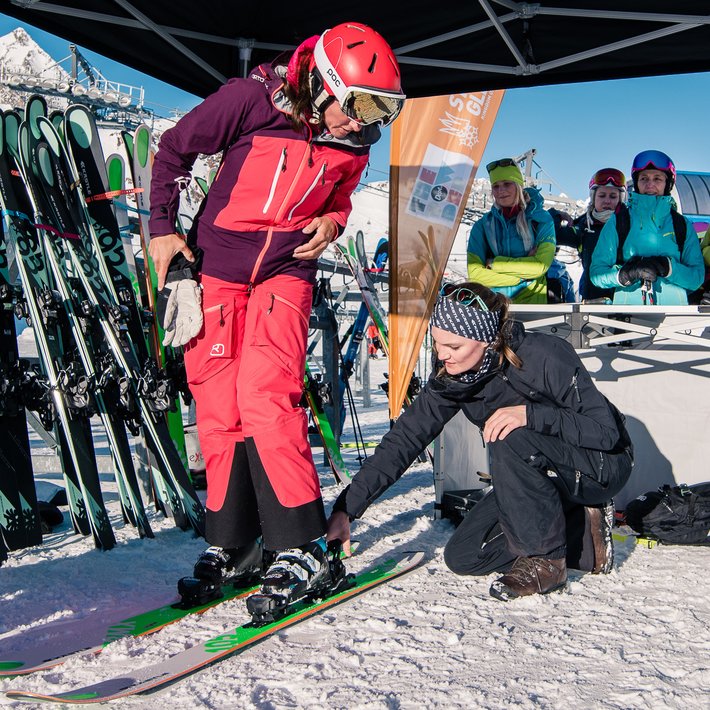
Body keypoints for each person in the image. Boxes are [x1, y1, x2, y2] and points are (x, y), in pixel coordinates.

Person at [148, 22, 405, 607]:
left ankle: (299, 542)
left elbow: (339, 195)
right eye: (360, 105)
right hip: (216, 266)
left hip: (286, 269)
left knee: (267, 393)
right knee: (217, 403)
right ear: (321, 82)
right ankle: (234, 543)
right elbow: (173, 149)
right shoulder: (250, 100)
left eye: (381, 112)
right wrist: (160, 228)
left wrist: (334, 222)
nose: (365, 122)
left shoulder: (355, 140)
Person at [327, 282, 634, 601]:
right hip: (541, 477)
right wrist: (346, 509)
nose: (443, 354)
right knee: (465, 556)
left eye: (454, 347)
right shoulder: (453, 380)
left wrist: (530, 414)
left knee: (510, 432)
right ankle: (583, 532)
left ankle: (547, 564)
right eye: (437, 343)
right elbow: (403, 441)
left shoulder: (544, 355)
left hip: (602, 465)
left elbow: (606, 432)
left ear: (488, 340)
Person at [589, 150, 704, 305]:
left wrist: (669, 268)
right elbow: (597, 272)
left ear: (667, 183)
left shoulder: (682, 225)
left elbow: (696, 277)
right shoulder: (619, 222)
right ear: (637, 183)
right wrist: (624, 274)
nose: (650, 184)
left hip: (675, 316)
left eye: (657, 178)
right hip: (627, 315)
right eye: (644, 178)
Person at [467, 159, 557, 304]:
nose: (501, 190)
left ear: (519, 186)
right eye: (496, 186)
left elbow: (541, 265)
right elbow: (475, 274)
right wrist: (524, 277)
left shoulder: (541, 220)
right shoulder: (482, 226)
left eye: (507, 184)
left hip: (533, 304)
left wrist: (494, 264)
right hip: (495, 306)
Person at [556, 168, 627, 302]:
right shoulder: (583, 228)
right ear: (593, 197)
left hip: (625, 298)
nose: (607, 201)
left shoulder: (630, 224)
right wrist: (556, 215)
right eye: (602, 195)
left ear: (620, 199)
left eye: (613, 196)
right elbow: (553, 235)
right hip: (593, 300)